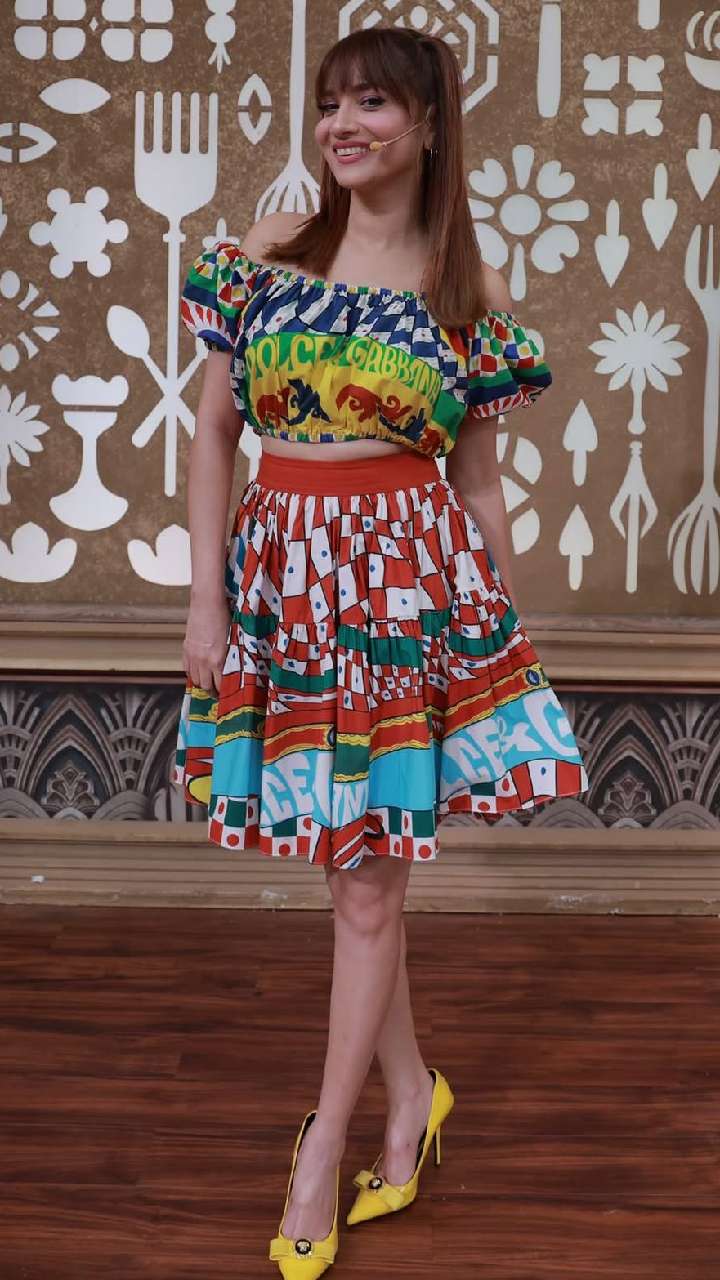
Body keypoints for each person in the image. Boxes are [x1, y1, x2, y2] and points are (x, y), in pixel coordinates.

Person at [173, 25, 589, 1278]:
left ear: (428, 125)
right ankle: (413, 1090)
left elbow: (481, 485)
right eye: (330, 103)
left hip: (407, 602)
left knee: (366, 884)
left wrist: (499, 642)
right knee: (352, 871)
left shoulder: (467, 295)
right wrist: (205, 603)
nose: (341, 125)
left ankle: (324, 1150)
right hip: (286, 590)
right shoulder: (267, 257)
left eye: (371, 103)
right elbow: (214, 437)